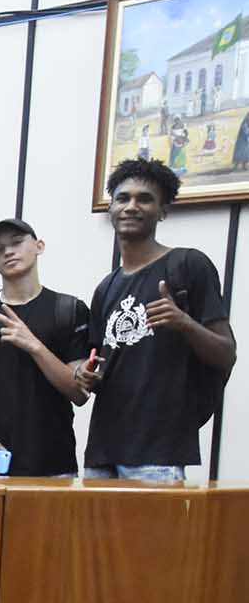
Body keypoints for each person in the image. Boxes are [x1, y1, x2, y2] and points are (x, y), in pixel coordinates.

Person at [76, 158, 235, 481]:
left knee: (154, 535)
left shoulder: (188, 265)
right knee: (95, 535)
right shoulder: (105, 288)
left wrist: (184, 322)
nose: (131, 206)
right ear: (111, 209)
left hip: (158, 453)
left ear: (163, 211)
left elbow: (226, 353)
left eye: (144, 199)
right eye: (123, 198)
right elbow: (99, 364)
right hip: (102, 451)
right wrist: (86, 375)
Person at [0, 219, 89, 477]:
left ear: (39, 246)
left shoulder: (69, 310)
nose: (8, 252)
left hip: (53, 462)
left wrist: (33, 345)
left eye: (17, 242)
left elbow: (79, 393)